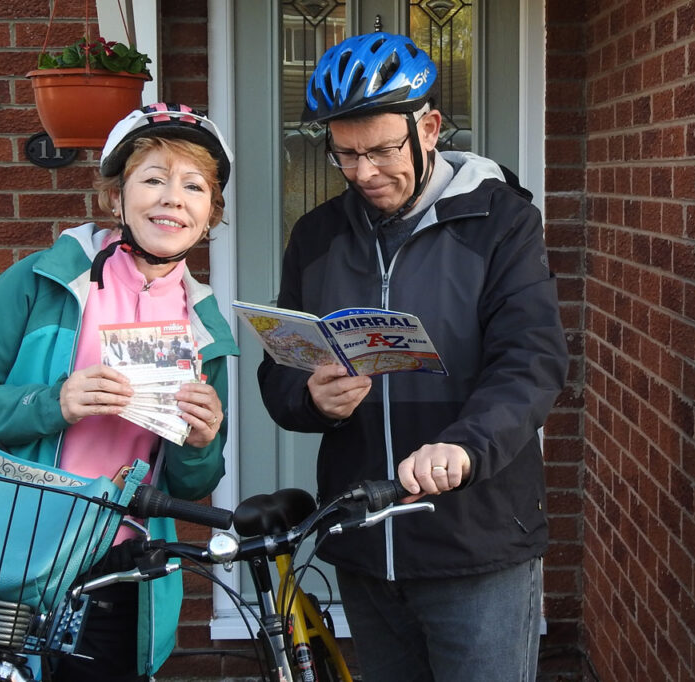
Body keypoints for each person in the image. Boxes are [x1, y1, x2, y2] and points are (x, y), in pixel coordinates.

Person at [256, 32, 569, 682]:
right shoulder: (315, 238)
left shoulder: (502, 224)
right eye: (346, 155)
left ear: (428, 128)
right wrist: (310, 397)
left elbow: (532, 360)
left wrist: (466, 446)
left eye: (380, 150)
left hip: (475, 542)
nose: (365, 172)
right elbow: (281, 373)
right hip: (364, 544)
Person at [0, 103, 239, 682]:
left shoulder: (206, 328)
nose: (173, 197)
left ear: (209, 214)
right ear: (116, 198)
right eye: (153, 179)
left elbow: (192, 482)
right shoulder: (41, 281)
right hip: (6, 546)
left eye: (194, 186)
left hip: (117, 567)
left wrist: (202, 439)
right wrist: (54, 403)